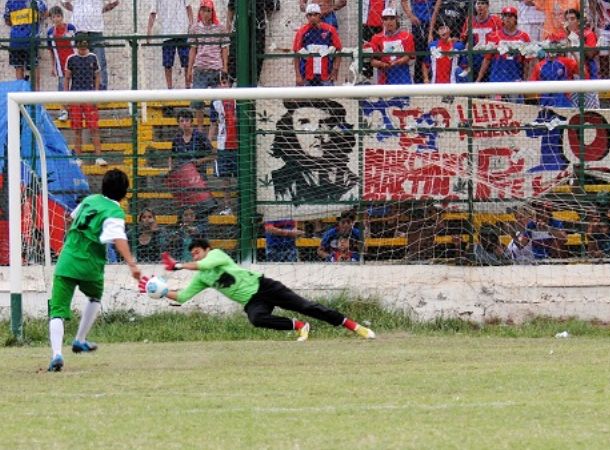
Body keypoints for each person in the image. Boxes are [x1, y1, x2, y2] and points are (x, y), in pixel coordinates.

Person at [140, 239, 375, 341]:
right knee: (256, 319)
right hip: (253, 301)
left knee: (306, 306)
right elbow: (182, 296)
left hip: (265, 287)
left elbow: (203, 264)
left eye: (197, 252)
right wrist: (161, 291)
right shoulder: (202, 277)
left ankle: (354, 326)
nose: (195, 256)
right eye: (192, 254)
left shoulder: (216, 255)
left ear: (207, 250)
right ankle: (299, 326)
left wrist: (179, 266)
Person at [46, 169, 142, 372]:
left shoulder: (89, 200)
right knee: (94, 297)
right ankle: (79, 340)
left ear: (103, 186)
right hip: (90, 265)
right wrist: (132, 264)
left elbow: (71, 219)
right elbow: (119, 238)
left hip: (67, 260)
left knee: (57, 311)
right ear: (125, 193)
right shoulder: (114, 211)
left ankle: (56, 355)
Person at [269, 99, 357, 202]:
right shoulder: (279, 182)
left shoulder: (352, 183)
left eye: (325, 124)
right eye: (305, 124)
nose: (317, 133)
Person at [61, 0, 119, 91]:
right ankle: (80, 90)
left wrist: (99, 11)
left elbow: (114, 2)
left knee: (99, 62)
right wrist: (76, 10)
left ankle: (101, 92)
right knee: (78, 62)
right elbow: (64, 2)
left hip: (95, 29)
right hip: (79, 29)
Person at [188, 0, 228, 130]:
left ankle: (212, 132)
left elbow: (224, 48)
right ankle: (200, 130)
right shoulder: (195, 28)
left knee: (216, 102)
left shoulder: (220, 28)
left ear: (212, 12)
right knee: (197, 102)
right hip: (200, 68)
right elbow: (193, 49)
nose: (206, 13)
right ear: (200, 11)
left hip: (216, 68)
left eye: (209, 11)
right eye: (203, 10)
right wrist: (189, 69)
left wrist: (225, 67)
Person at [65, 38, 106, 166]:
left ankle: (98, 157)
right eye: (80, 47)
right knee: (77, 128)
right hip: (75, 97)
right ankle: (78, 157)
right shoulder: (71, 59)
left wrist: (96, 93)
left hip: (89, 96)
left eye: (84, 47)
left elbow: (97, 76)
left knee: (94, 128)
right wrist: (66, 97)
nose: (82, 50)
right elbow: (67, 78)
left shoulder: (93, 57)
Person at [476, 6, 532, 91]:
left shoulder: (523, 36)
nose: (507, 18)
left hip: (516, 77)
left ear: (515, 19)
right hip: (497, 77)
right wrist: (478, 79)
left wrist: (526, 80)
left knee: (515, 99)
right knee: (495, 99)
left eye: (510, 16)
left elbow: (527, 62)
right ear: (502, 19)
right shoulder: (494, 35)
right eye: (505, 16)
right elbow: (487, 59)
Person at [293, 3, 343, 86]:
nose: (313, 17)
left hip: (326, 73)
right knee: (303, 94)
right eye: (310, 15)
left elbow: (338, 50)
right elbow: (296, 54)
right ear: (306, 16)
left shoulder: (330, 30)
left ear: (320, 15)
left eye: (315, 14)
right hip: (306, 74)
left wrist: (335, 70)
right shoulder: (301, 32)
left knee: (326, 94)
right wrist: (298, 75)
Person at [147, 0, 193, 90]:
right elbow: (153, 12)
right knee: (167, 63)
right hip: (166, 32)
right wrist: (149, 32)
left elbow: (188, 7)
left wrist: (191, 24)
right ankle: (169, 89)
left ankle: (188, 87)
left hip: (182, 31)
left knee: (186, 61)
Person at [208, 74, 238, 215]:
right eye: (220, 83)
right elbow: (213, 124)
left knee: (241, 177)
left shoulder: (239, 98)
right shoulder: (215, 102)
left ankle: (243, 206)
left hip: (239, 146)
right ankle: (227, 206)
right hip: (223, 146)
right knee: (225, 180)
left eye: (225, 82)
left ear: (230, 84)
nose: (222, 86)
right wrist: (209, 142)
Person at [226, 0, 275, 84]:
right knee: (234, 58)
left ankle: (252, 86)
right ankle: (230, 85)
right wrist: (228, 31)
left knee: (256, 60)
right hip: (240, 28)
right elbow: (231, 8)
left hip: (257, 30)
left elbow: (270, 9)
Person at [4, 0, 47, 88]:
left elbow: (7, 21)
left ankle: (23, 93)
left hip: (18, 40)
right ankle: (34, 93)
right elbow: (45, 14)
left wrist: (19, 26)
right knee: (32, 67)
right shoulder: (35, 1)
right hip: (27, 40)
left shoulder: (10, 2)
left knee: (20, 67)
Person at [368, 7, 415, 85]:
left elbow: (409, 56)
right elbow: (372, 61)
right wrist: (382, 64)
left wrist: (399, 61)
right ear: (382, 21)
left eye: (392, 18)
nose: (389, 22)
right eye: (385, 19)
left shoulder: (406, 36)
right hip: (384, 75)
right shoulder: (376, 38)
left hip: (402, 74)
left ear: (397, 19)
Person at [563, 8, 599, 108]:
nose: (569, 22)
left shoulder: (588, 34)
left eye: (572, 19)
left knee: (590, 110)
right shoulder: (565, 36)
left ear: (578, 21)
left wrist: (577, 39)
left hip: (587, 75)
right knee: (573, 109)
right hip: (571, 77)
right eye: (567, 19)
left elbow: (591, 54)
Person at [46, 5, 76, 121]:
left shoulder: (71, 28)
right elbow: (51, 52)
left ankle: (76, 111)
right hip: (60, 64)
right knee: (62, 87)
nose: (56, 19)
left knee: (76, 86)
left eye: (58, 16)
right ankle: (64, 110)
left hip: (74, 63)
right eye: (54, 17)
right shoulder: (50, 33)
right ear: (51, 19)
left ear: (62, 17)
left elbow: (78, 45)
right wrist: (53, 66)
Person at [460, 0, 501, 80]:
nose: (480, 6)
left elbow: (501, 36)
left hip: (490, 53)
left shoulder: (495, 20)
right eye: (478, 3)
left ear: (487, 6)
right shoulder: (470, 20)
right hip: (475, 54)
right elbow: (463, 38)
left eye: (483, 3)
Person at [400, 0, 436, 83]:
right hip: (417, 23)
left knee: (431, 53)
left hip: (431, 23)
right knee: (419, 53)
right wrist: (411, 16)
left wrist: (431, 31)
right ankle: (419, 81)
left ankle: (431, 79)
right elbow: (403, 1)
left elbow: (436, 9)